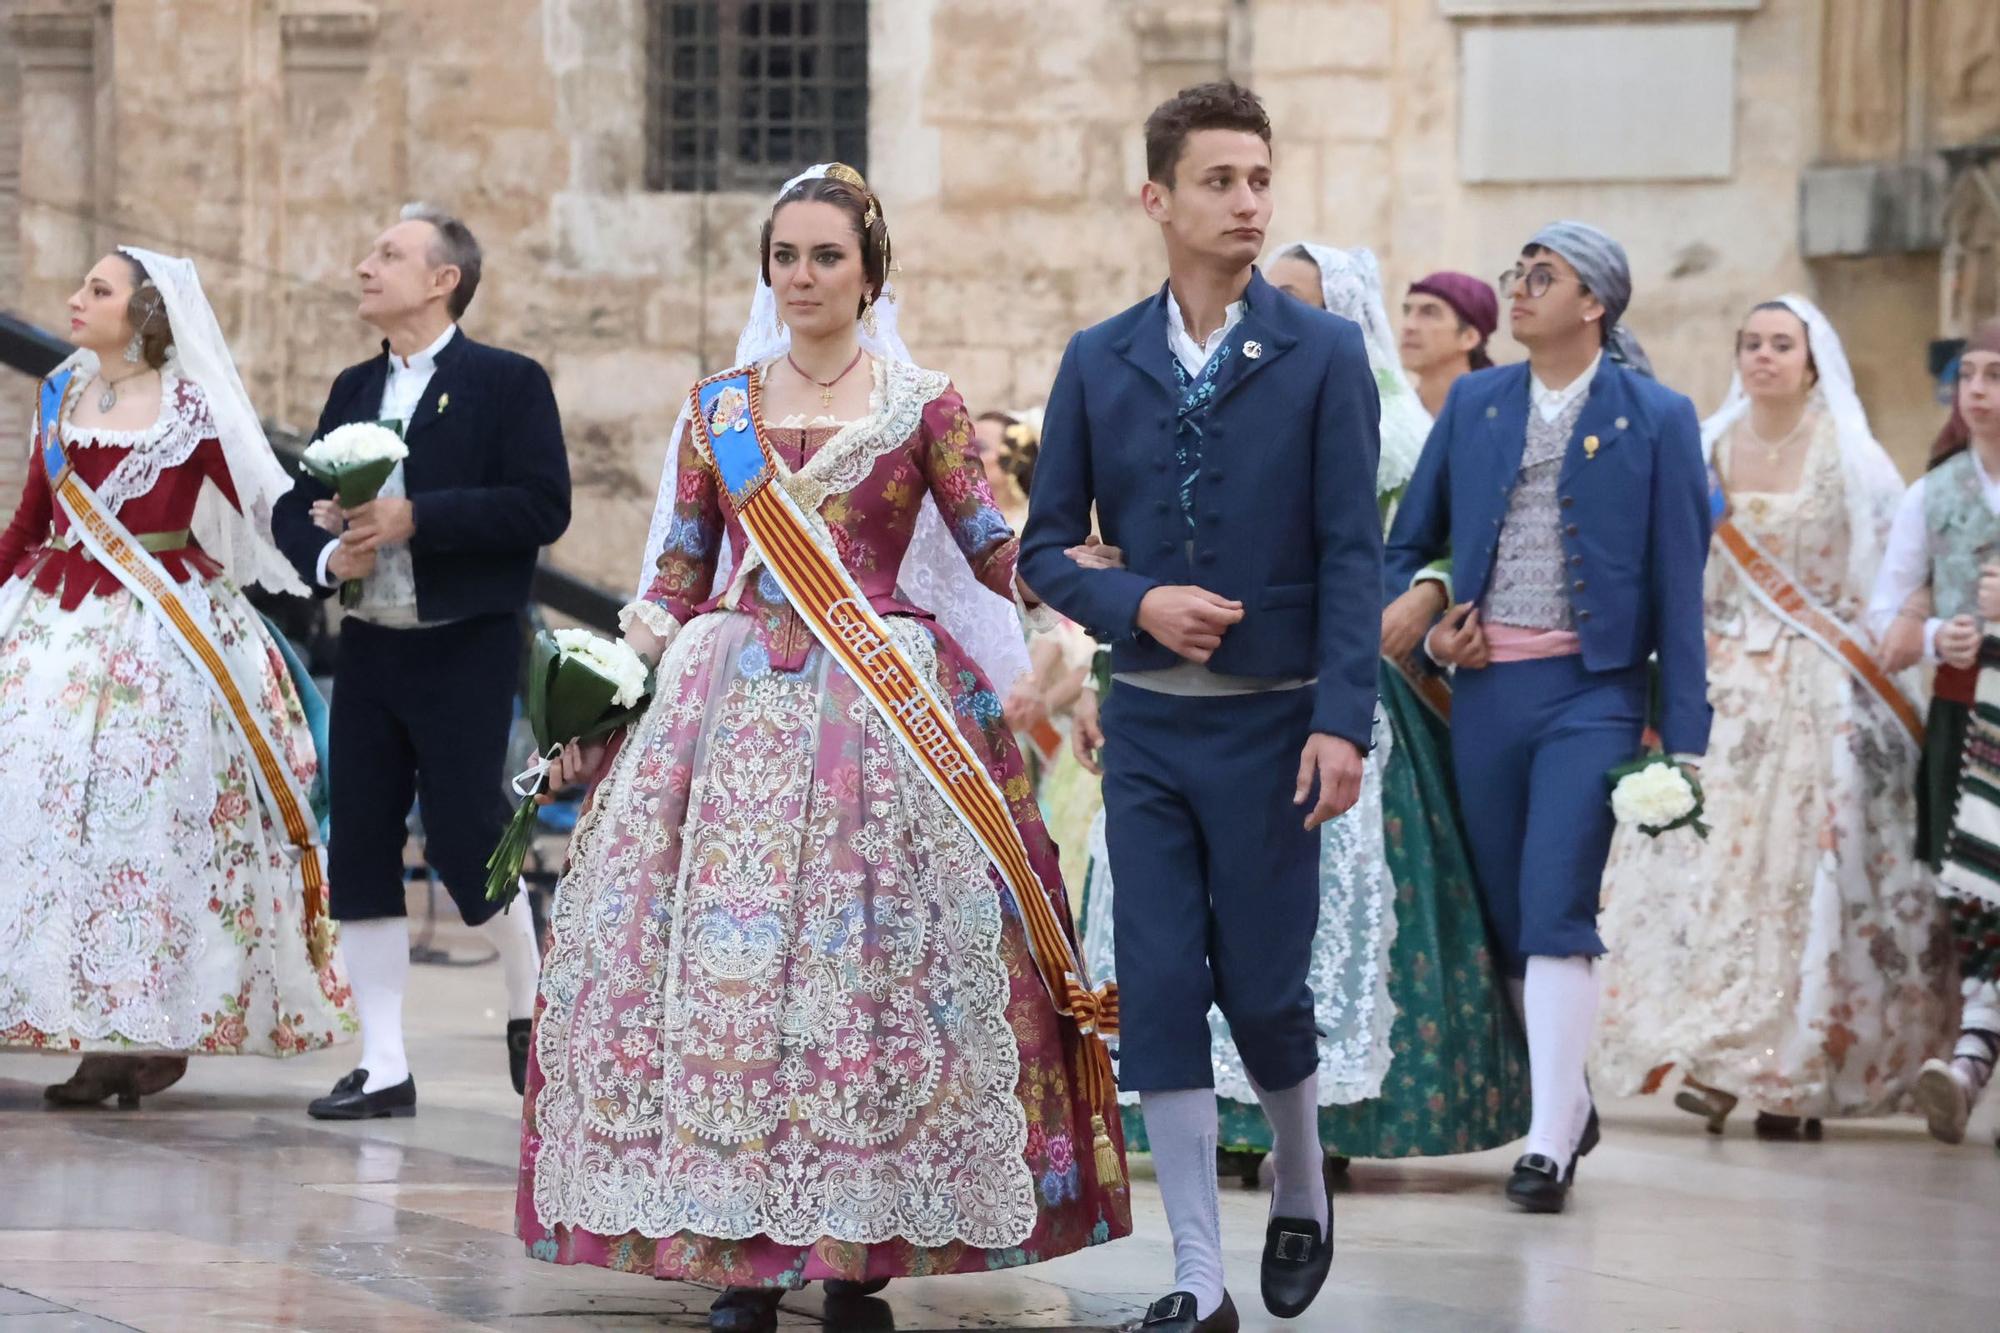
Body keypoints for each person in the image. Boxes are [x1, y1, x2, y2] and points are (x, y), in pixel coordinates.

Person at [515, 165, 1129, 1333]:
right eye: (784, 256)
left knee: (863, 979)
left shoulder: (924, 405)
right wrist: (595, 695)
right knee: (726, 988)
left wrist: (1078, 599)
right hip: (727, 709)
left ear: (869, 270)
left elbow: (991, 545)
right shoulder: (719, 407)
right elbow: (678, 576)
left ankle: (852, 1254)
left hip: (883, 716)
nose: (801, 277)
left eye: (825, 257)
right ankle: (737, 1254)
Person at [1022, 84, 1381, 1332]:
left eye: (1259, 180)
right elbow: (1043, 550)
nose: (1246, 202)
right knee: (1161, 986)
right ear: (1157, 198)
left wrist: (1344, 718)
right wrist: (1137, 606)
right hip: (1151, 731)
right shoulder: (1095, 357)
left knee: (1266, 989)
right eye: (1220, 181)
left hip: (1279, 724)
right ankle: (1195, 1275)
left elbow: (1353, 551)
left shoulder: (1324, 355)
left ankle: (1299, 1182)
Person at [1075, 244, 1529, 1183]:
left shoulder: (1392, 416)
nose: (1265, 313)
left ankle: (1311, 1139)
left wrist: (1433, 586)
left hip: (1324, 684)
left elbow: (1407, 536)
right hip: (1172, 696)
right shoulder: (1168, 385)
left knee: (1297, 936)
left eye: (1292, 299)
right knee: (1165, 949)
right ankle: (1204, 1199)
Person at [1386, 222, 1711, 1213]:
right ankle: (1560, 1097)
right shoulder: (1478, 402)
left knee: (1555, 903)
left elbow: (1675, 583)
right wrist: (1437, 638)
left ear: (1592, 305)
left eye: (1542, 276)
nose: (1518, 291)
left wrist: (1681, 738)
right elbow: (1408, 550)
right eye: (1514, 275)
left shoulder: (1656, 415)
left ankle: (1543, 1146)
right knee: (1500, 912)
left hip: (1593, 693)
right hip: (1485, 695)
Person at [0, 248, 352, 1103]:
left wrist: (336, 543)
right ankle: (39, 997)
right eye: (83, 285)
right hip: (49, 622)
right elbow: (30, 518)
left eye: (98, 289)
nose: (77, 299)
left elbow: (264, 504)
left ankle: (135, 1032)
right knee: (30, 808)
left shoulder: (193, 407)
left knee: (146, 823)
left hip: (164, 636)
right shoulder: (59, 392)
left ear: (148, 313)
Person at [1595, 296, 1952, 1137]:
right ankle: (1712, 1053)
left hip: (1824, 683)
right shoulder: (1710, 447)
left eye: (1780, 344)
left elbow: (1889, 577)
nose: (1762, 357)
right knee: (1711, 870)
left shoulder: (1853, 458)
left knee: (1805, 870)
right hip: (1725, 680)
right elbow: (1684, 568)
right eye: (1750, 342)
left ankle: (1793, 1061)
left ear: (1812, 358)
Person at [270, 205, 571, 1120]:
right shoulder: (353, 386)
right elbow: (297, 503)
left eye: (388, 255)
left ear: (444, 279)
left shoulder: (508, 383)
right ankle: (385, 1061)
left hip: (468, 640)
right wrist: (327, 555)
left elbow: (540, 506)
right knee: (358, 838)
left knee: (467, 837)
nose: (366, 267)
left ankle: (531, 1002)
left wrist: (417, 517)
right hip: (372, 643)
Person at [1868, 318, 2000, 1146]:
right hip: (1964, 706)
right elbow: (1886, 613)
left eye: (1996, 373)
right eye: (1970, 375)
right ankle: (1975, 1044)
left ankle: (1975, 1049)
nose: (1980, 389)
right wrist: (1934, 635)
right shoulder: (1935, 491)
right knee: (1976, 884)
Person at [1401, 271, 1498, 419]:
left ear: (1469, 337)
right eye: (1407, 311)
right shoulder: (1390, 416)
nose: (1409, 326)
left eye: (1429, 312)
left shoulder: (1495, 418)